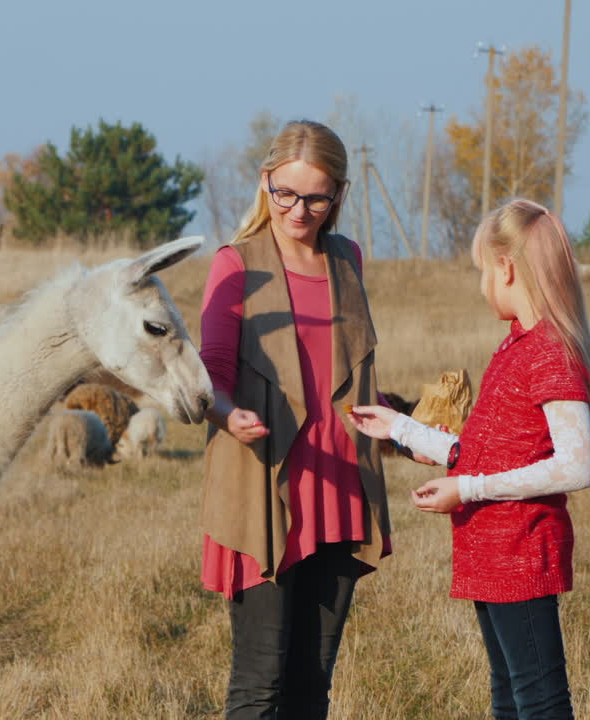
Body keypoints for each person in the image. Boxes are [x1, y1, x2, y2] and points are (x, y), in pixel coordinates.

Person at [349, 198, 590, 720]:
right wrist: (402, 428)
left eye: (482, 271)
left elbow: (577, 465)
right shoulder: (515, 347)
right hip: (493, 554)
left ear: (507, 268)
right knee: (509, 695)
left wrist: (466, 490)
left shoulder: (551, 352)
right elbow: (487, 452)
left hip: (522, 551)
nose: (481, 284)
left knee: (539, 700)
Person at [200, 119, 391, 720]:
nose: (299, 210)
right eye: (286, 193)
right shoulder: (235, 265)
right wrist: (229, 417)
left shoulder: (349, 260)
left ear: (339, 194)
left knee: (311, 691)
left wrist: (407, 425)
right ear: (265, 183)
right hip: (264, 490)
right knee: (260, 689)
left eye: (315, 197)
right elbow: (212, 373)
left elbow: (354, 376)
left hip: (339, 494)